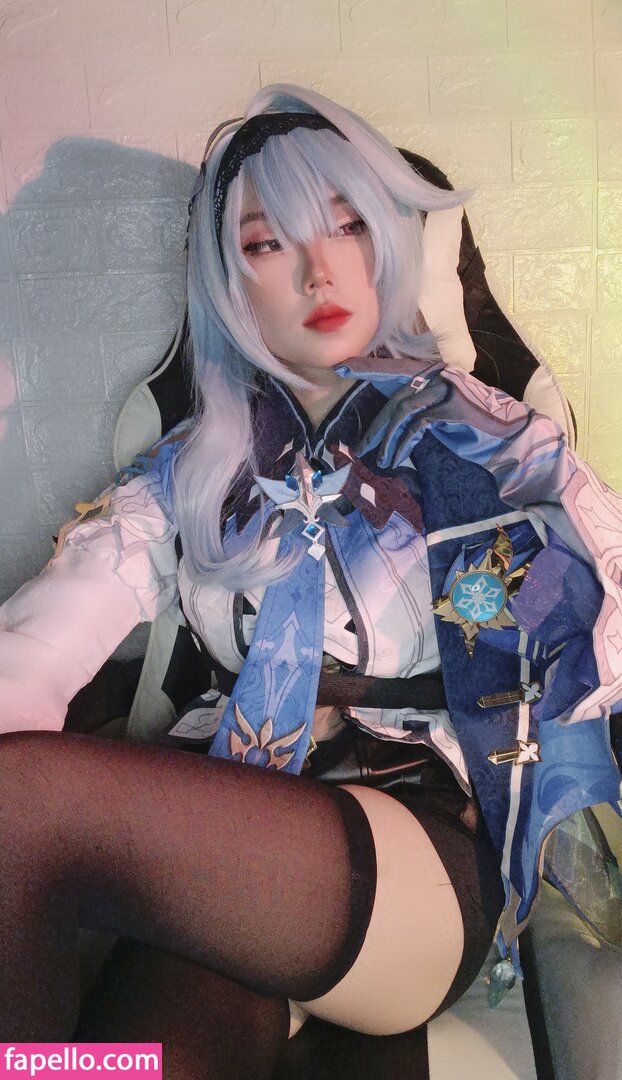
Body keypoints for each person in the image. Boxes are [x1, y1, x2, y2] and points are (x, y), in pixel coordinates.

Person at [0, 83, 620, 1077]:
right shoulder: (190, 470)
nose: (318, 270)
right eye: (266, 243)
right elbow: (39, 648)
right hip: (225, 857)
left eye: (349, 227)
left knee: (18, 802)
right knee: (117, 1066)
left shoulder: (493, 447)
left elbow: (598, 614)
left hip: (412, 858)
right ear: (229, 285)